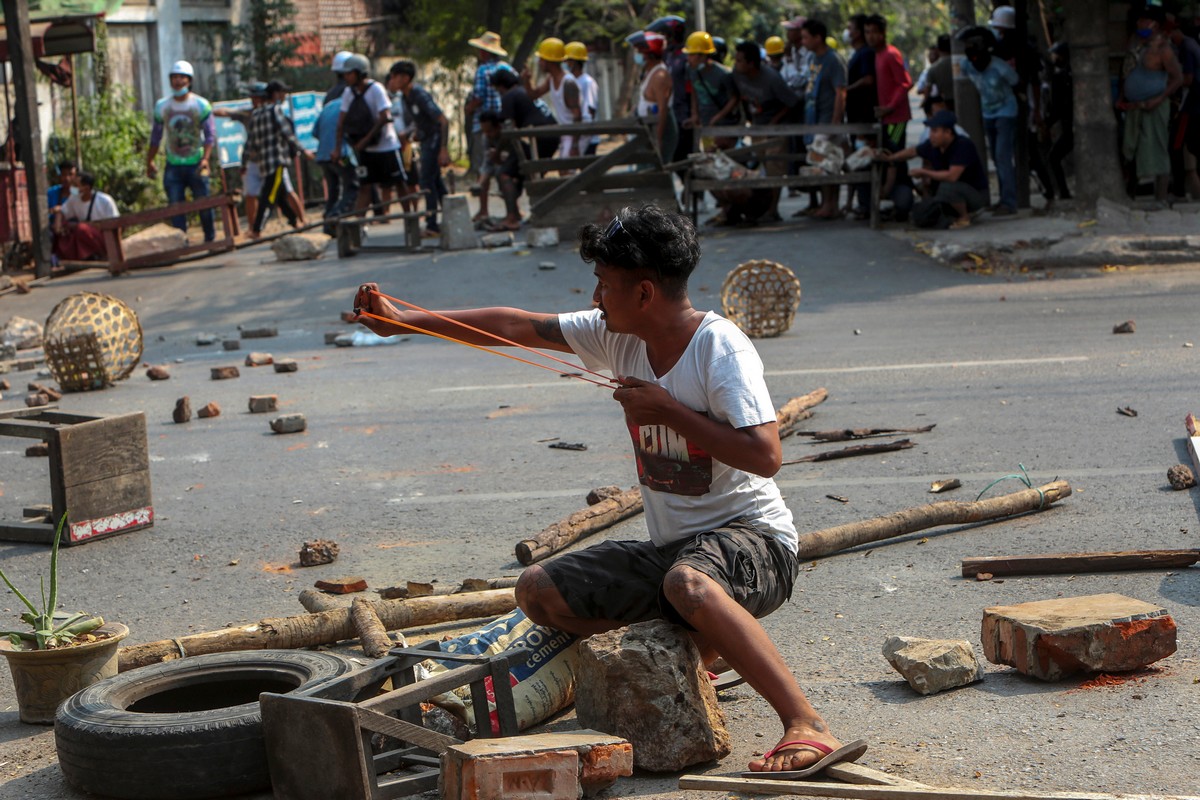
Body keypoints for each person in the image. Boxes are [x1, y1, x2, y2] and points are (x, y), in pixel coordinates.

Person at [351, 203, 866, 778]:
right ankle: (693, 656)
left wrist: (669, 410)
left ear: (644, 293)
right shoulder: (615, 334)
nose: (595, 298)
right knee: (538, 591)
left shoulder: (719, 347)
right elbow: (516, 325)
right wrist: (407, 319)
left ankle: (806, 724)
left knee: (688, 582)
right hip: (678, 553)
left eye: (604, 285)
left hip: (755, 545)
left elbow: (766, 456)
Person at [146, 59, 216, 242]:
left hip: (196, 161)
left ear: (189, 81)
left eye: (182, 78)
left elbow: (210, 135)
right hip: (173, 164)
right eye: (174, 78)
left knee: (204, 203)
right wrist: (150, 161)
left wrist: (206, 159)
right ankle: (181, 241)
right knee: (176, 205)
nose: (178, 82)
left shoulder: (200, 105)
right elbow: (156, 136)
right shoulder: (162, 106)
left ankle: (210, 239)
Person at [884, 110, 988, 229]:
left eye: (935, 131)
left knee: (947, 186)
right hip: (954, 194)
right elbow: (913, 151)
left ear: (948, 132)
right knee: (923, 210)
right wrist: (891, 158)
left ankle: (964, 217)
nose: (931, 136)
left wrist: (924, 172)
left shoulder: (963, 145)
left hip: (975, 194)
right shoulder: (933, 146)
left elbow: (952, 176)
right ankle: (950, 214)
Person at [732, 40, 801, 221]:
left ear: (751, 63)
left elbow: (791, 102)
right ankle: (759, 208)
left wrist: (774, 121)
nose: (735, 63)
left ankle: (773, 209)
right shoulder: (737, 75)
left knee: (774, 168)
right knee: (761, 168)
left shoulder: (772, 78)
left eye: (739, 60)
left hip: (775, 128)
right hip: (757, 127)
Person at [337, 54, 406, 217]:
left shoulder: (376, 89)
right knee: (365, 186)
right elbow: (341, 121)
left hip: (386, 145)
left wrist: (366, 140)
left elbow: (384, 116)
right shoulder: (348, 92)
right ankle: (358, 227)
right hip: (366, 150)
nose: (346, 77)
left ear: (359, 73)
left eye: (349, 73)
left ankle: (410, 219)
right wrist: (338, 147)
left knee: (398, 182)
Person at [388, 60, 451, 236]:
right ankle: (452, 216)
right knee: (436, 182)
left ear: (405, 78)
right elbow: (421, 120)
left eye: (395, 77)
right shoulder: (406, 97)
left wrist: (443, 149)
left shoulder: (419, 94)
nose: (392, 81)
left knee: (425, 182)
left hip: (434, 140)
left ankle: (432, 224)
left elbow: (442, 120)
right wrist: (415, 133)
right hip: (425, 140)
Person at [961, 30, 1020, 214]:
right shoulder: (967, 65)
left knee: (1003, 156)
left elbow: (1016, 82)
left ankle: (1009, 202)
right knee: (996, 157)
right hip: (988, 113)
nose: (975, 61)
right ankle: (1003, 198)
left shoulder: (999, 67)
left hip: (1006, 112)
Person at [247, 78, 313, 237]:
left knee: (280, 195)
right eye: (283, 92)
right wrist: (304, 151)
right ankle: (257, 229)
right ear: (276, 94)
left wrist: (245, 161)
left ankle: (295, 221)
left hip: (264, 162)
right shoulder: (274, 110)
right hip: (277, 161)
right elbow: (287, 134)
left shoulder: (256, 114)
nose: (284, 96)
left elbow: (251, 142)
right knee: (269, 196)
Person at [800, 19, 847, 219]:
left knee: (827, 164)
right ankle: (826, 204)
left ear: (818, 38)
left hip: (827, 120)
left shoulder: (833, 60)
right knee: (821, 164)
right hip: (814, 118)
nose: (803, 42)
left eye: (805, 37)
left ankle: (830, 205)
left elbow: (841, 92)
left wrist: (835, 122)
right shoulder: (814, 59)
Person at [465, 31, 513, 223]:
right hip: (504, 125)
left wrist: (468, 109)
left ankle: (483, 209)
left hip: (484, 124)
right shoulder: (507, 69)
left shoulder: (482, 71)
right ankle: (512, 209)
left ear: (484, 52)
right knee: (506, 164)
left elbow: (478, 98)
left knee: (484, 167)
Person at [522, 39, 582, 159]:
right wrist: (527, 81)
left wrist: (575, 145)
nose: (539, 62)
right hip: (565, 133)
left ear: (549, 61)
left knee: (567, 171)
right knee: (565, 172)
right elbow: (534, 95)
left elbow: (577, 116)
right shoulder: (551, 79)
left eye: (542, 59)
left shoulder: (568, 83)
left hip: (576, 133)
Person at [314, 77, 358, 234]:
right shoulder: (348, 107)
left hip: (323, 156)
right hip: (342, 155)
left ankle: (328, 223)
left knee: (333, 190)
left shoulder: (328, 107)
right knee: (352, 185)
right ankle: (335, 217)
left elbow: (315, 132)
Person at [843, 15, 877, 218]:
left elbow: (868, 80)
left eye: (850, 28)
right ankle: (860, 203)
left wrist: (847, 90)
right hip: (856, 117)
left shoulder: (864, 54)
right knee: (858, 160)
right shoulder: (857, 53)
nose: (848, 32)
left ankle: (866, 204)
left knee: (862, 160)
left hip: (863, 118)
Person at [647, 15, 692, 163]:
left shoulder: (685, 58)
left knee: (682, 159)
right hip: (665, 114)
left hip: (683, 117)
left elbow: (692, 89)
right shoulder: (665, 57)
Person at [628, 30, 677, 164]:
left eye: (639, 51)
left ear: (649, 53)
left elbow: (663, 110)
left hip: (660, 131)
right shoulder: (649, 72)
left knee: (658, 173)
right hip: (648, 131)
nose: (636, 54)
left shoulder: (660, 76)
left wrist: (657, 140)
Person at [52, 172, 119, 262]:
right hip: (84, 237)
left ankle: (101, 254)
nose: (72, 188)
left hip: (103, 237)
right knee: (65, 234)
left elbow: (116, 225)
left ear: (86, 188)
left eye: (76, 185)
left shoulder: (105, 200)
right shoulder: (74, 199)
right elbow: (62, 211)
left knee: (81, 229)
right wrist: (58, 225)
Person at [478, 110, 525, 231]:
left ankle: (512, 217)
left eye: (489, 131)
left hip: (521, 161)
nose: (487, 135)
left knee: (503, 174)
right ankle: (513, 212)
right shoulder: (486, 139)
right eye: (484, 131)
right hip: (507, 164)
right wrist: (480, 183)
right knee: (500, 172)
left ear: (498, 127)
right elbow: (487, 163)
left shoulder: (508, 134)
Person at [1046, 41, 1074, 201]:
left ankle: (1063, 192)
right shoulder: (1068, 74)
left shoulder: (1060, 77)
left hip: (1070, 124)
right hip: (1068, 124)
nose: (1053, 58)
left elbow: (1057, 106)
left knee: (1053, 158)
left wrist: (1047, 123)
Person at [566, 42, 602, 156]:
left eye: (569, 60)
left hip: (587, 137)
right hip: (576, 134)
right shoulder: (571, 81)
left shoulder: (587, 82)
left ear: (576, 62)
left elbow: (590, 110)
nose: (567, 63)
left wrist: (579, 139)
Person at [47, 160, 76, 230]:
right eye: (64, 174)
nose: (67, 178)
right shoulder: (51, 192)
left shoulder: (80, 194)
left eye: (70, 174)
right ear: (59, 176)